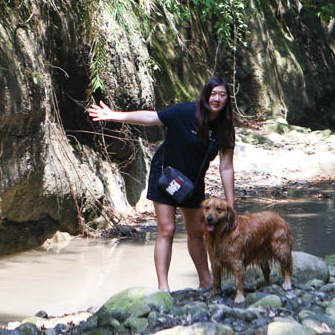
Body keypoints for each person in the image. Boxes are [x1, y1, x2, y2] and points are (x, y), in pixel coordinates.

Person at [86, 77, 236, 292]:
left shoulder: (225, 128)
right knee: (167, 229)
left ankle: (206, 281)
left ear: (227, 99)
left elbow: (226, 167)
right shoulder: (186, 112)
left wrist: (230, 203)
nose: (217, 98)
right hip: (166, 176)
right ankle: (163, 287)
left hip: (192, 183)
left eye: (222, 95)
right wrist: (115, 116)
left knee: (197, 232)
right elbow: (151, 118)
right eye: (213, 94)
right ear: (206, 95)